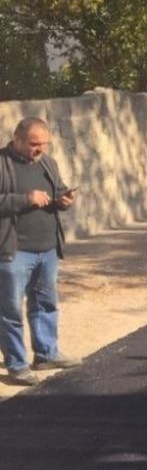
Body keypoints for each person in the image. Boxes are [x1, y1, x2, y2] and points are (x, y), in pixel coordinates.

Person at [0, 118, 79, 385]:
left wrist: (64, 200)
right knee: (10, 310)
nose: (39, 149)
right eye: (34, 144)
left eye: (44, 144)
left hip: (46, 249)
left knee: (45, 304)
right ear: (17, 139)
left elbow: (56, 191)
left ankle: (46, 353)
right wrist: (25, 199)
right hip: (13, 252)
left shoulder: (47, 162)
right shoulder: (2, 163)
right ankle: (17, 365)